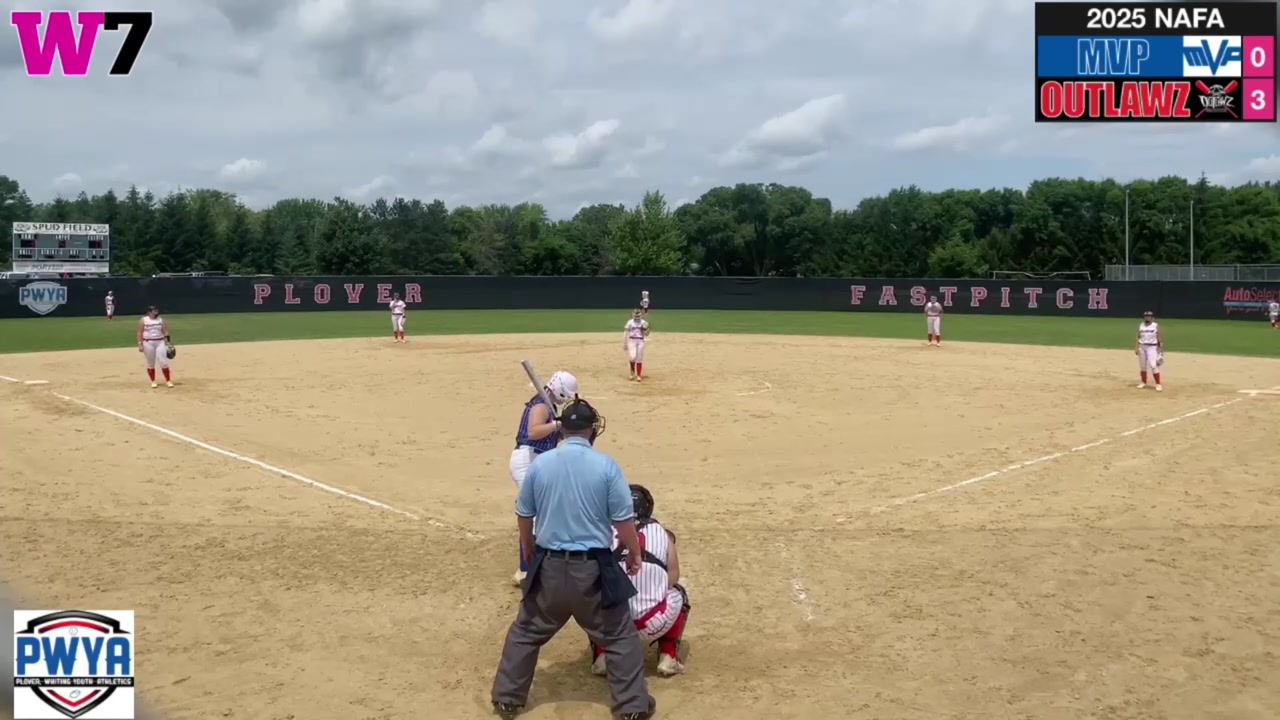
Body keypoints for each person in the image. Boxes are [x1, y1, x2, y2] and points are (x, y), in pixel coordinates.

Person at [492, 397, 657, 720]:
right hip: (593, 570)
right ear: (591, 431)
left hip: (549, 565)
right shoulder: (606, 466)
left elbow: (524, 514)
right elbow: (624, 521)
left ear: (562, 429)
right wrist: (635, 553)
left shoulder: (540, 464)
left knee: (526, 631)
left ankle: (508, 698)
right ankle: (632, 706)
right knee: (620, 635)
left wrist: (528, 552)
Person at [589, 484, 690, 678]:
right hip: (653, 623)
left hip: (611, 628)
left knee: (592, 596)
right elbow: (673, 576)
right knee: (681, 590)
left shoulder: (602, 530)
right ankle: (668, 656)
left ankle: (602, 656)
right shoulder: (661, 531)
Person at [509, 370, 579, 586]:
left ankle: (532, 567)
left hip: (536, 460)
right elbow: (534, 431)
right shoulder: (541, 404)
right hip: (526, 460)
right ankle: (525, 571)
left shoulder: (550, 405)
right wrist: (558, 424)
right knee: (535, 514)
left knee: (539, 511)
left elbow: (552, 436)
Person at [137, 305, 174, 389]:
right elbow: (140, 332)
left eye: (157, 310)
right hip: (148, 342)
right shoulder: (143, 320)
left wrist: (168, 343)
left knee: (163, 362)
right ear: (149, 312)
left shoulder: (161, 320)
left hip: (160, 342)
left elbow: (166, 331)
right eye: (154, 310)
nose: (156, 311)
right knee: (151, 363)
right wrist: (140, 344)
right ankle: (153, 381)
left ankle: (168, 380)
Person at [1135, 310, 1163, 391]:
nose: (1147, 317)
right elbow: (1138, 337)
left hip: (1152, 347)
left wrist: (1161, 351)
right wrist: (1136, 347)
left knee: (1153, 365)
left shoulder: (1156, 326)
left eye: (1149, 316)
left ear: (1152, 317)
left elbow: (1160, 339)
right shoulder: (1141, 325)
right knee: (1143, 366)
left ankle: (1158, 384)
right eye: (1146, 316)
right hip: (1142, 347)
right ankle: (1143, 382)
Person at [623, 309, 650, 382]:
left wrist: (646, 329)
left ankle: (638, 375)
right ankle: (632, 372)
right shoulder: (630, 322)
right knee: (632, 357)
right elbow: (626, 332)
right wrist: (625, 343)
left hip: (640, 340)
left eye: (638, 316)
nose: (637, 317)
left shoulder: (644, 322)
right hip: (631, 341)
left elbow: (646, 334)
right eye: (635, 316)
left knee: (639, 358)